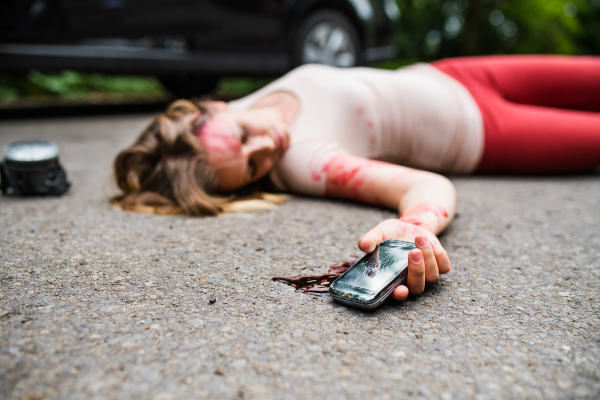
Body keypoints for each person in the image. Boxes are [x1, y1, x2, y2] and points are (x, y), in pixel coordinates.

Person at [112, 55, 600, 302]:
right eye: (255, 167)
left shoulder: (234, 104)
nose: (268, 145)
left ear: (213, 107)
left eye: (243, 134)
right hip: (485, 132)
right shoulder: (304, 161)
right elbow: (424, 186)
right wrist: (415, 222)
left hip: (448, 74)